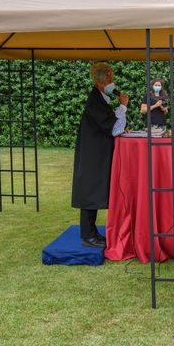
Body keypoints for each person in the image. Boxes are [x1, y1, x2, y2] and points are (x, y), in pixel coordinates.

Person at [71, 62, 129, 248]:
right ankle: (87, 235)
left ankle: (91, 232)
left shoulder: (100, 98)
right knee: (90, 192)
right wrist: (124, 107)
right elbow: (113, 128)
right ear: (101, 81)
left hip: (94, 153)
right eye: (110, 79)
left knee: (92, 191)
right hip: (92, 155)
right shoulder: (95, 100)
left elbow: (109, 121)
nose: (112, 82)